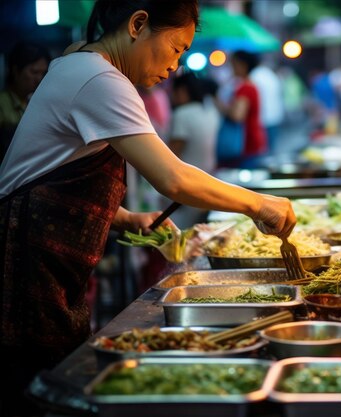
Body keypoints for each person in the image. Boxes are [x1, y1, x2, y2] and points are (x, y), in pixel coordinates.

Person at [0, 1, 295, 415]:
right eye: (176, 48)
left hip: (43, 258)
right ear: (138, 24)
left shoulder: (85, 69)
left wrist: (126, 219)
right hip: (23, 262)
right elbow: (173, 178)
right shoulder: (97, 77)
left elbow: (51, 175)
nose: (177, 65)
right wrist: (259, 204)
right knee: (35, 393)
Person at [167, 72, 220, 228]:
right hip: (209, 176)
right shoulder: (210, 111)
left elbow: (171, 155)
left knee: (183, 234)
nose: (172, 96)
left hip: (186, 183)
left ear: (183, 90)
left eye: (174, 91)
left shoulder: (182, 114)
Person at [214, 50, 267, 167]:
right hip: (249, 141)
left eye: (233, 64)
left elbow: (237, 115)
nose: (231, 68)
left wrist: (218, 103)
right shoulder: (248, 85)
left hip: (246, 143)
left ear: (243, 65)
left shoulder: (245, 88)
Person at [0, 41, 50, 162]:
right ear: (16, 70)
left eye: (43, 73)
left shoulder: (38, 103)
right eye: (34, 72)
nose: (39, 79)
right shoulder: (2, 103)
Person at [250, 60, 284, 154]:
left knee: (262, 150)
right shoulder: (271, 75)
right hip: (275, 115)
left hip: (263, 118)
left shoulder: (255, 75)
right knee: (271, 148)